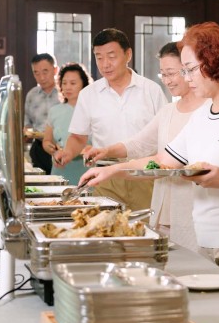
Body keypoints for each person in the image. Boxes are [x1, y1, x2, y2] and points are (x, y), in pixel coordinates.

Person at [80, 22, 219, 293]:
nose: (185, 78)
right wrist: (113, 170)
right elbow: (163, 161)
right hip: (206, 237)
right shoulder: (203, 114)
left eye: (189, 69)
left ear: (214, 63)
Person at [83, 42, 206, 251]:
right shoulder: (168, 111)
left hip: (193, 204)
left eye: (171, 73)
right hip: (163, 202)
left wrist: (112, 170)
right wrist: (107, 152)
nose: (167, 81)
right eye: (162, 74)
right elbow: (140, 143)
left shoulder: (207, 110)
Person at [54, 28, 168, 210]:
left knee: (145, 232)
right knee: (106, 231)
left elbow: (165, 135)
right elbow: (78, 137)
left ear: (128, 54)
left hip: (144, 174)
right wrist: (67, 153)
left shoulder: (151, 90)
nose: (105, 64)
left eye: (111, 56)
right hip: (105, 175)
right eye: (99, 57)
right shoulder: (88, 94)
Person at [42, 62, 93, 184]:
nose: (67, 87)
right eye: (64, 83)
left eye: (73, 83)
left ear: (84, 85)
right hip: (60, 170)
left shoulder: (93, 110)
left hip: (87, 171)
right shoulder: (55, 111)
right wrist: (54, 151)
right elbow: (47, 141)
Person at [24, 53, 60, 174]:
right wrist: (26, 131)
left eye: (45, 72)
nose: (41, 77)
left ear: (55, 70)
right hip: (39, 148)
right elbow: (27, 124)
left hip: (61, 146)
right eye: (36, 73)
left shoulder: (65, 92)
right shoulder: (31, 95)